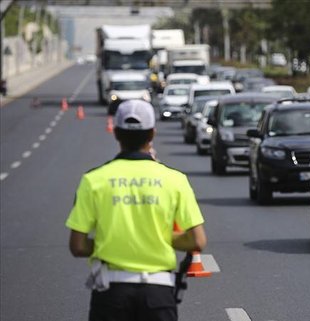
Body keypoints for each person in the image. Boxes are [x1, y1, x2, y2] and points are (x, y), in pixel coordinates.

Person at [66, 99, 206, 321]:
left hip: (110, 293)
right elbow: (197, 240)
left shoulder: (93, 180)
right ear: (152, 134)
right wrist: (155, 238)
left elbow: (78, 245)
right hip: (158, 294)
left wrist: (112, 241)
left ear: (116, 133)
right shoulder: (175, 180)